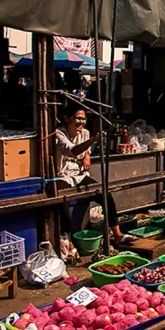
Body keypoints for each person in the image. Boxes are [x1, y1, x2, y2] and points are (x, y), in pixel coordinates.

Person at [55, 103, 128, 244]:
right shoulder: (59, 134)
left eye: (83, 119)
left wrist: (87, 154)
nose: (81, 122)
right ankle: (68, 243)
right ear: (66, 118)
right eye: (78, 118)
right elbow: (73, 150)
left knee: (105, 194)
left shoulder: (85, 133)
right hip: (62, 177)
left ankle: (117, 234)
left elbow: (84, 151)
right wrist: (92, 141)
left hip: (80, 176)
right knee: (62, 204)